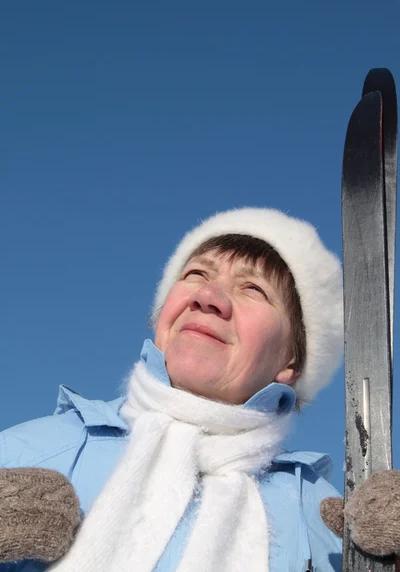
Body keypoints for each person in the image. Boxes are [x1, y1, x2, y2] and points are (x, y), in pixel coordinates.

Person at [0, 207, 344, 572]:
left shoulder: (319, 516)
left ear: (291, 360)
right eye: (196, 274)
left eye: (253, 289)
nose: (209, 295)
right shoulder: (30, 453)